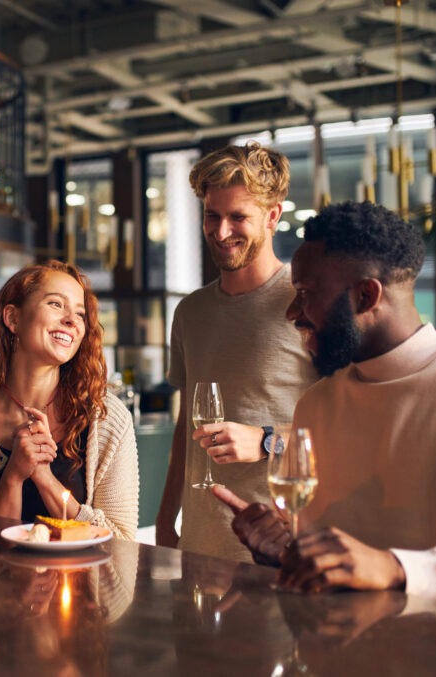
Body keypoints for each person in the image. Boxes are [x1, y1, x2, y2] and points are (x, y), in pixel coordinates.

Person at [214, 201, 436, 616]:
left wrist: (395, 568)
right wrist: (284, 551)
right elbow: (334, 559)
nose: (292, 313)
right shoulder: (317, 404)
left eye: (305, 294)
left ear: (367, 295)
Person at [155, 142, 317, 560]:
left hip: (279, 549)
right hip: (198, 544)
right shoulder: (191, 312)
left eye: (238, 217)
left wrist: (266, 442)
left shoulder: (307, 303)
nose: (221, 231)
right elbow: (184, 427)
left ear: (273, 215)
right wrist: (164, 518)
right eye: (212, 215)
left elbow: (348, 429)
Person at [0, 260, 138, 539]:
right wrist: (13, 475)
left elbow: (122, 543)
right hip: (0, 582)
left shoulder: (108, 416)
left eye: (80, 313)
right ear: (13, 319)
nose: (72, 320)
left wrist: (44, 478)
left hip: (85, 582)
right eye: (56, 304)